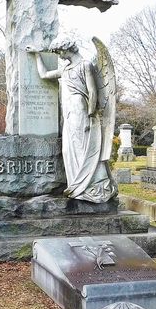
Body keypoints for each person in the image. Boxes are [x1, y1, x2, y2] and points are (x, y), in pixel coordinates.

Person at [27, 38, 117, 203]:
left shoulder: (85, 65)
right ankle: (78, 186)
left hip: (80, 113)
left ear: (67, 48)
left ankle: (88, 185)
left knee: (82, 149)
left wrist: (90, 115)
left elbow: (92, 91)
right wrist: (37, 55)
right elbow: (44, 74)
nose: (60, 56)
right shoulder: (66, 68)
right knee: (69, 150)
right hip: (69, 115)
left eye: (60, 52)